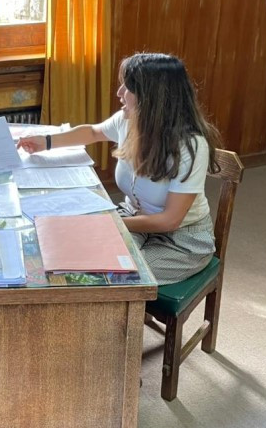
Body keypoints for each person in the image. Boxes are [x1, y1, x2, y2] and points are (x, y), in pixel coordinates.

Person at [18, 53, 222, 284]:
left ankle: (119, 318)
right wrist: (45, 141)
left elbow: (169, 221)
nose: (119, 93)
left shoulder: (190, 146)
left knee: (111, 276)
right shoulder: (129, 120)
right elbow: (93, 132)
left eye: (128, 87)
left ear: (152, 96)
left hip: (182, 239)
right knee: (74, 255)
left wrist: (109, 223)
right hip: (134, 219)